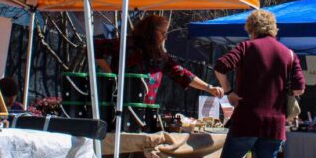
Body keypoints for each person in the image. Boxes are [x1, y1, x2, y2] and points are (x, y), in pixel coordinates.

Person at [211, 9, 304, 158]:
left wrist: (230, 92)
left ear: (251, 28)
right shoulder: (289, 54)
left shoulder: (245, 48)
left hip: (247, 119)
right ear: (273, 28)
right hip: (275, 123)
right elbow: (299, 88)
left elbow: (221, 66)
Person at [95, 14, 223, 110]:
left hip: (145, 109)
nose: (165, 37)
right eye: (163, 33)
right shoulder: (125, 44)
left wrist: (209, 88)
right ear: (150, 31)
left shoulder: (159, 56)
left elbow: (182, 74)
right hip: (119, 107)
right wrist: (110, 73)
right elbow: (95, 46)